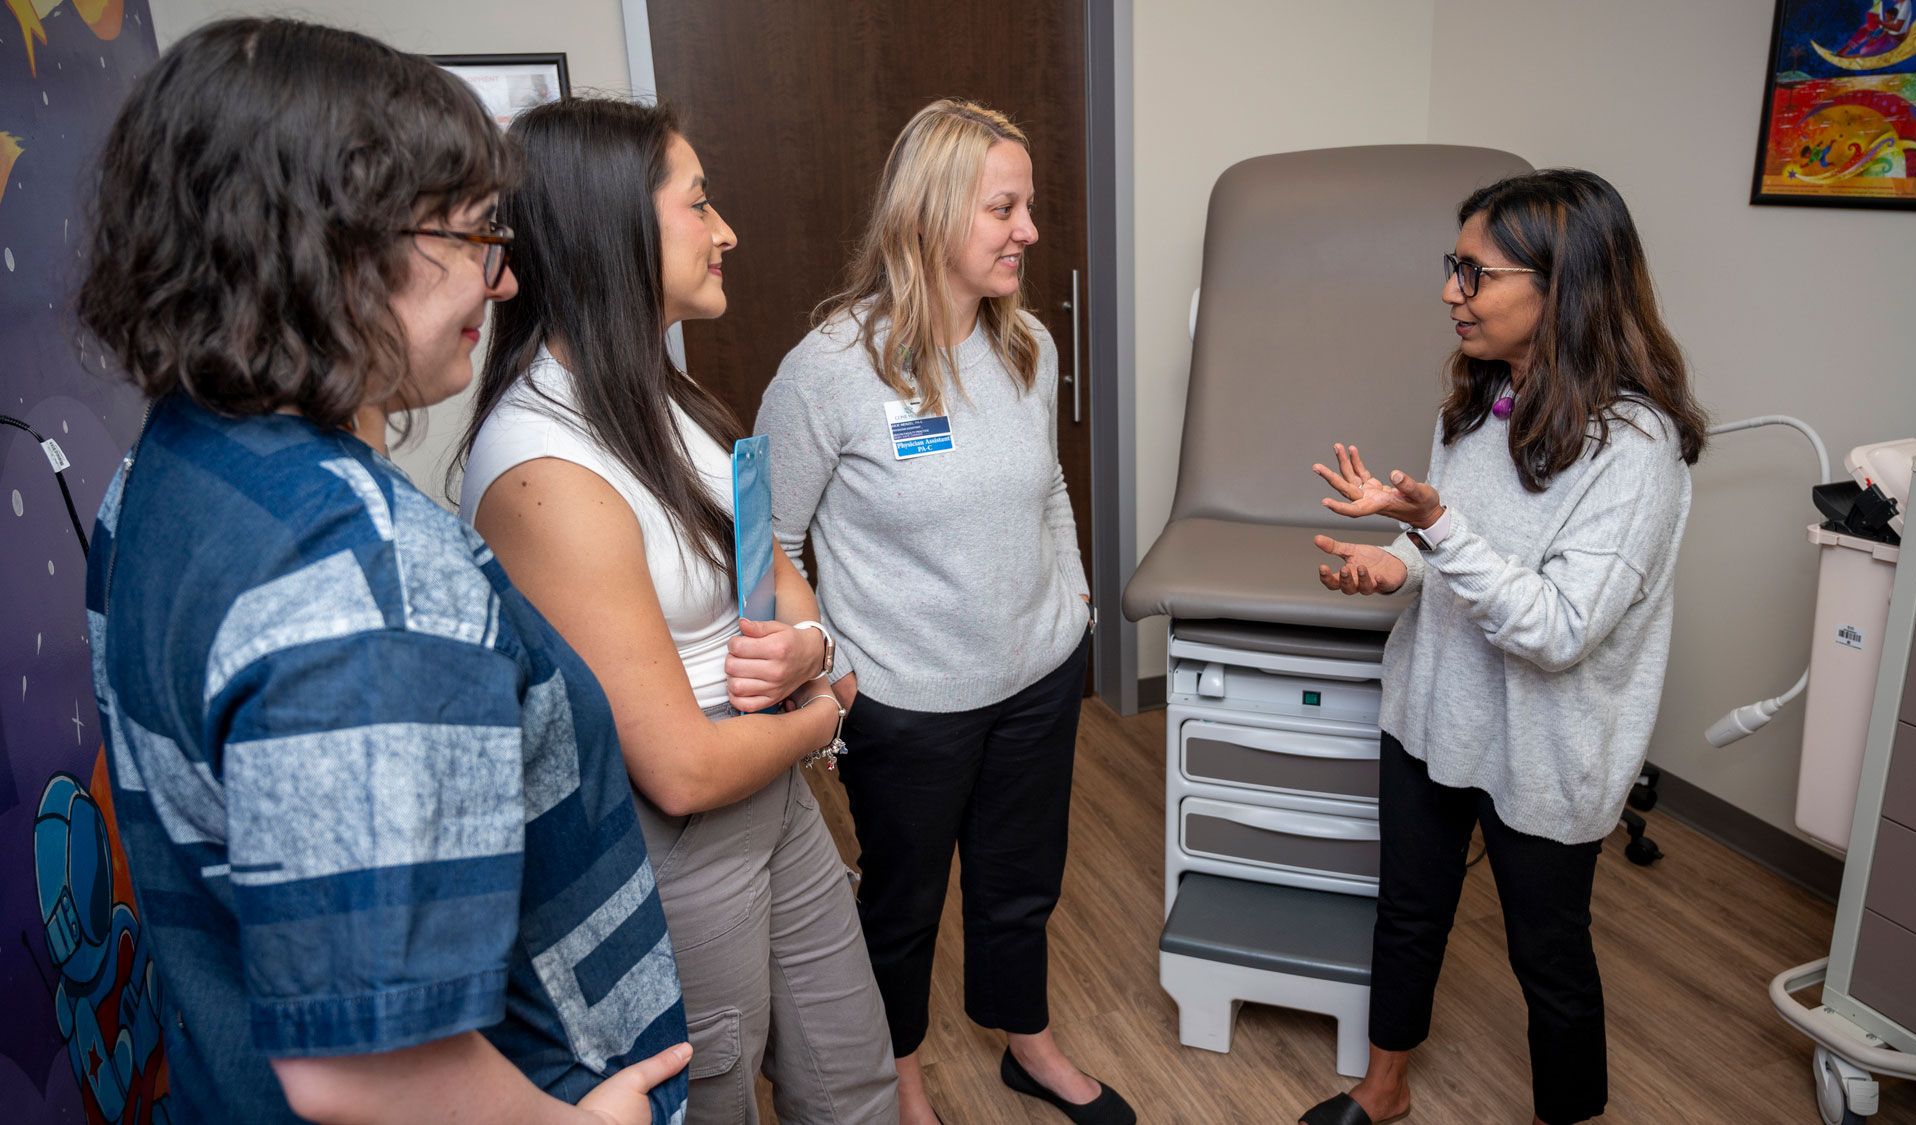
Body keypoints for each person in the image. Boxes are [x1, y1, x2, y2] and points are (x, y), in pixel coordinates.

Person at [77, 20, 691, 1124]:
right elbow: (364, 1066)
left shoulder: (164, 472)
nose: (497, 286)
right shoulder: (366, 573)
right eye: (470, 238)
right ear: (333, 249)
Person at [457, 97, 898, 1124]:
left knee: (852, 1077)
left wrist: (810, 649)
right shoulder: (543, 472)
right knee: (717, 1103)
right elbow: (680, 769)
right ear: (610, 228)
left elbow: (784, 587)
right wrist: (828, 710)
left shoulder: (669, 399)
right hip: (680, 849)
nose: (725, 230)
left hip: (774, 794)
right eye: (698, 205)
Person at [1297, 169, 1708, 1125]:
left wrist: (1435, 531)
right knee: (1409, 910)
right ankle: (1383, 1084)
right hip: (1435, 706)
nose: (1451, 291)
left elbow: (1556, 630)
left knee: (1549, 956)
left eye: (1474, 273)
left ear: (1562, 286)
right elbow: (1454, 548)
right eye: (1454, 268)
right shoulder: (1484, 398)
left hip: (1545, 744)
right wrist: (1394, 565)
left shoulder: (1636, 451)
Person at [757, 99, 1133, 1125]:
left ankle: (1027, 1042)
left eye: (1028, 205)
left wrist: (1074, 600)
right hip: (907, 703)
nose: (1029, 230)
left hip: (1037, 680)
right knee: (903, 908)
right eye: (1002, 208)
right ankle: (901, 1075)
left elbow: (1047, 484)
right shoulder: (829, 371)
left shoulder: (1027, 348)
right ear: (929, 216)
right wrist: (825, 663)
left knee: (1020, 886)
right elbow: (770, 547)